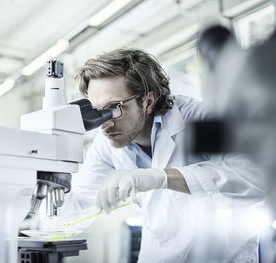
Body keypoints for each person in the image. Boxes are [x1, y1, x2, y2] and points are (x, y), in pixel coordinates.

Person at [67, 49, 265, 262]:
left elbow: (256, 177)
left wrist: (161, 177)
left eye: (114, 107)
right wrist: (46, 179)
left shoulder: (197, 120)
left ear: (148, 101)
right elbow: (75, 209)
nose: (105, 123)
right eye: (97, 111)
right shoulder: (105, 142)